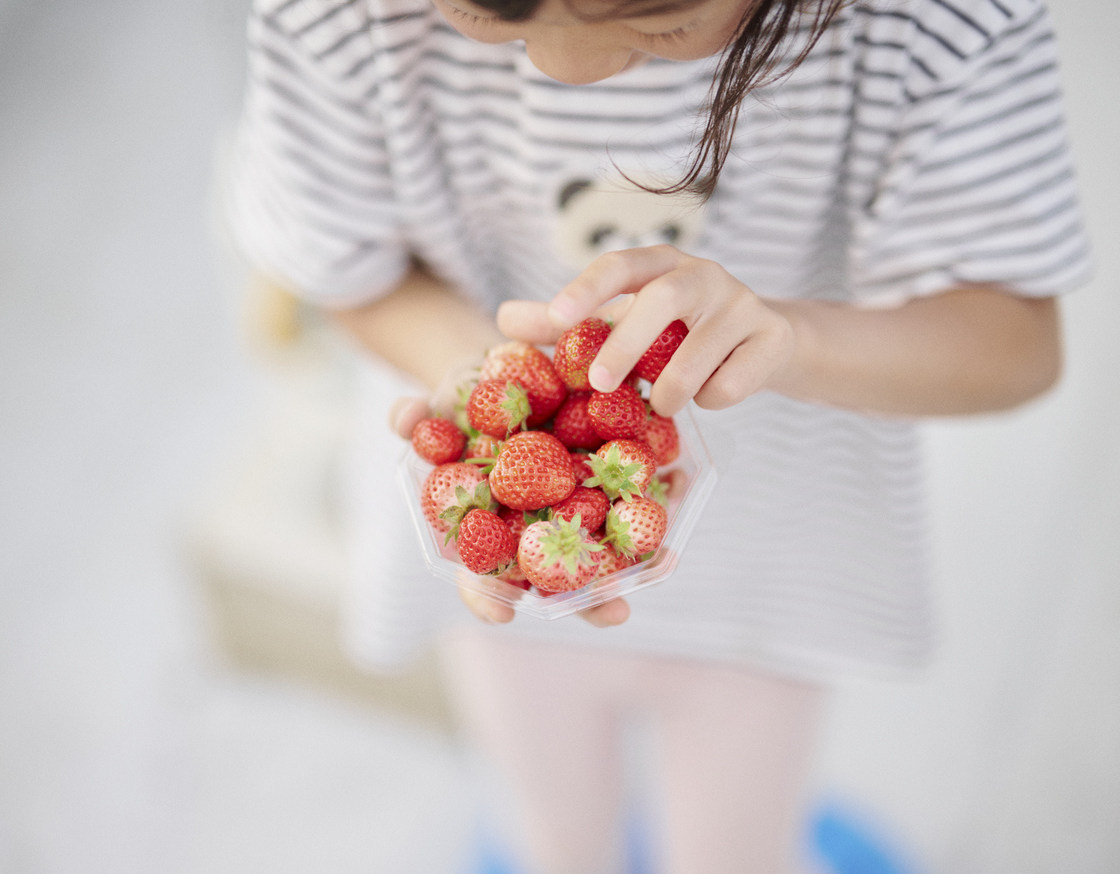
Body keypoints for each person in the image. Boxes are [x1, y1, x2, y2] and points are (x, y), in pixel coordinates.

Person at [223, 0, 1091, 869]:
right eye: (490, 12)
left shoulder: (930, 22)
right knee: (552, 838)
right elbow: (338, 263)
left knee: (736, 850)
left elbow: (1014, 342)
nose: (564, 67)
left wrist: (791, 338)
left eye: (663, 27)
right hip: (512, 592)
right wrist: (477, 373)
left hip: (771, 559)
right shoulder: (338, 14)